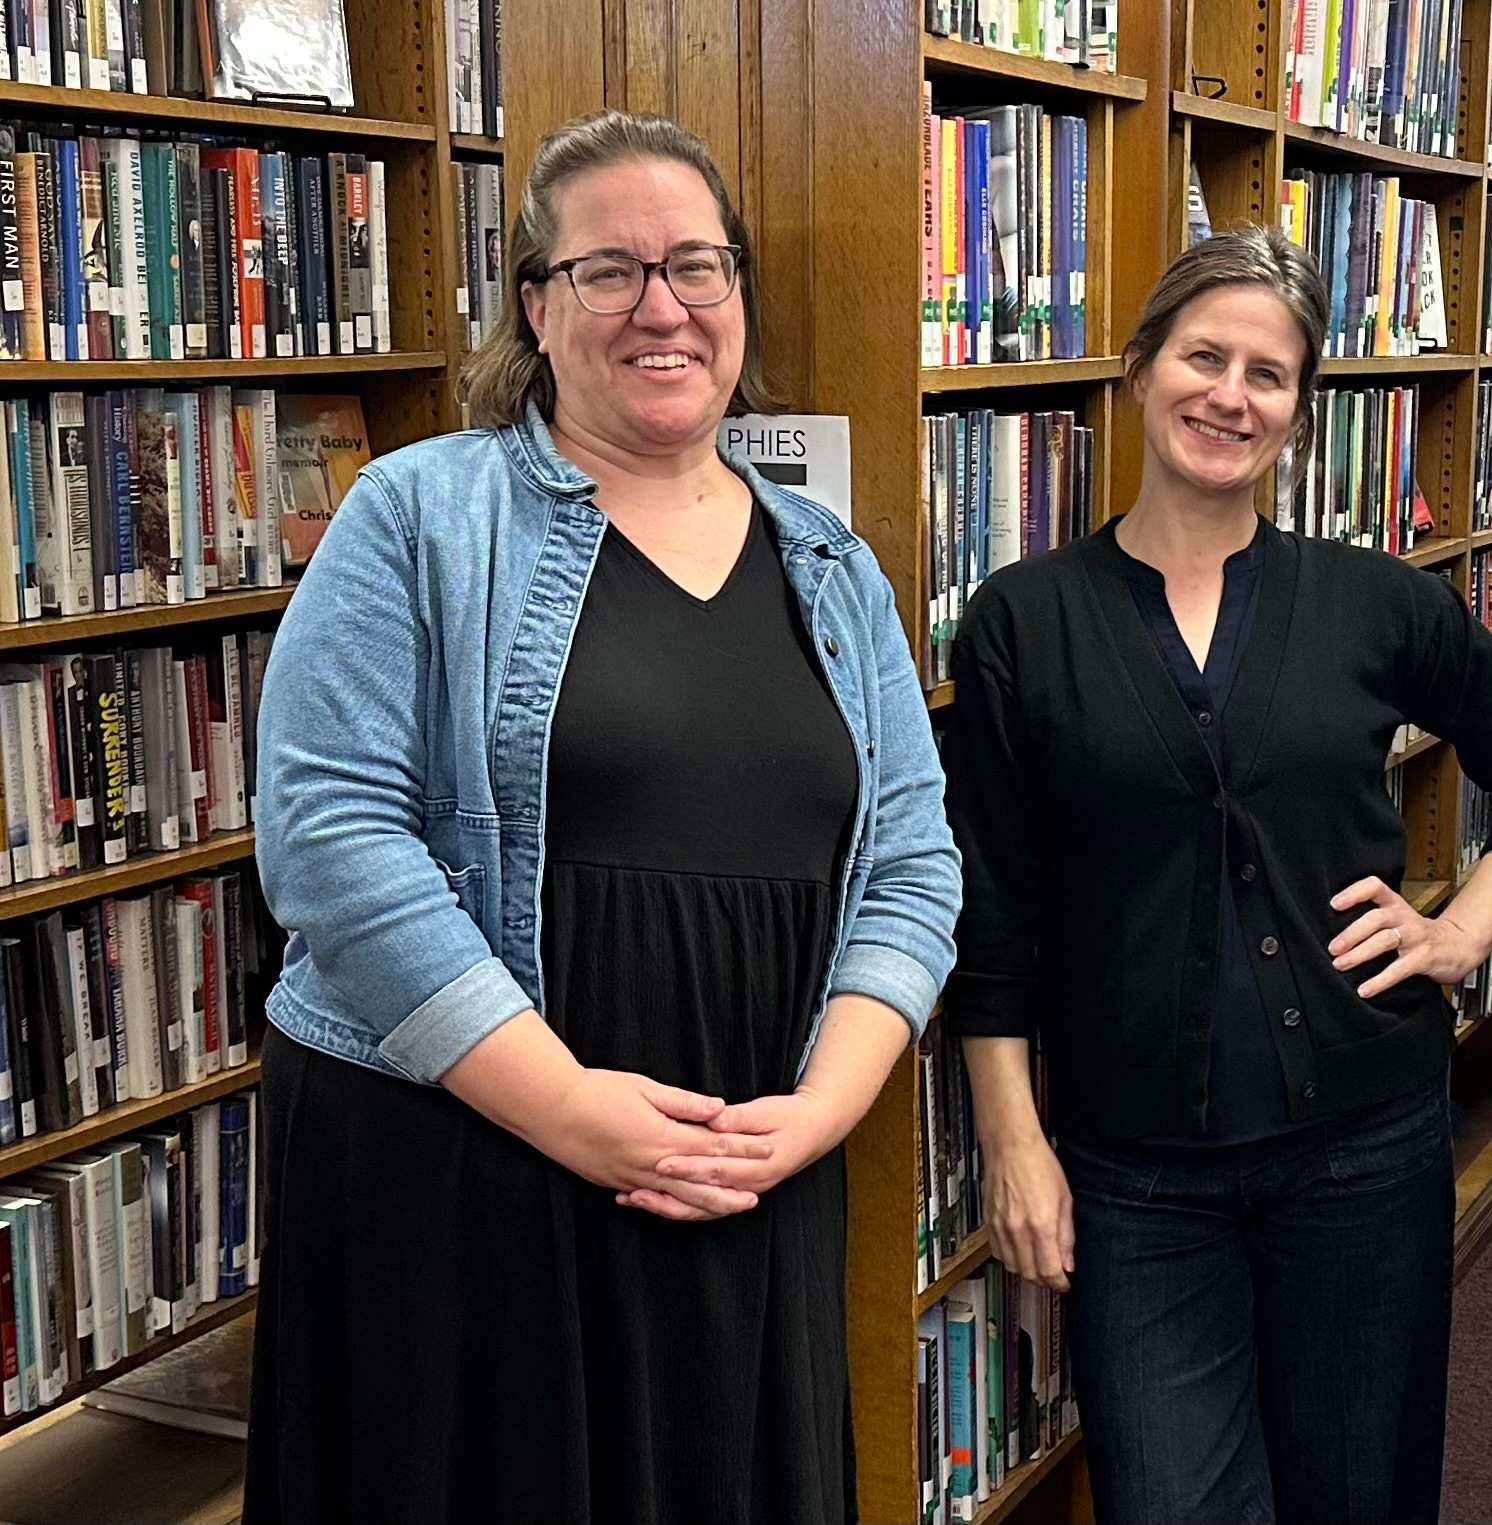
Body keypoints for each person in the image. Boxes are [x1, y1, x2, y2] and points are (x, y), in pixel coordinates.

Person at [245, 109, 959, 1525]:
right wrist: (571, 1112)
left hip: (745, 1174)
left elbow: (915, 864)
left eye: (695, 266)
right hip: (469, 1161)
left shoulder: (832, 566)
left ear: (736, 292)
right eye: (609, 271)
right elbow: (329, 835)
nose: (661, 307)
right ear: (536, 305)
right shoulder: (419, 514)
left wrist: (817, 1114)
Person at [941, 226, 1492, 1525]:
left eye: (1269, 373)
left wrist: (1464, 930)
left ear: (1300, 410)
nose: (1230, 396)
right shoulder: (1026, 619)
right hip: (1136, 1173)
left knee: (1357, 1490)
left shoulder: (1373, 602)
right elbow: (995, 907)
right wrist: (1013, 1143)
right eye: (1203, 357)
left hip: (1365, 1145)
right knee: (1167, 1498)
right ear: (1138, 368)